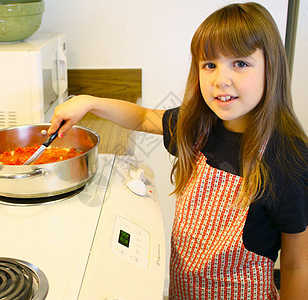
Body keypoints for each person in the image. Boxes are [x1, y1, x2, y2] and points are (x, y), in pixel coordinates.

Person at [48, 2, 308, 299]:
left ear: (271, 67)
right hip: (183, 291)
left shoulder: (288, 160)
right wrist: (90, 101)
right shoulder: (199, 126)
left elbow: (298, 264)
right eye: (209, 64)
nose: (220, 80)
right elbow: (144, 117)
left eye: (240, 63)